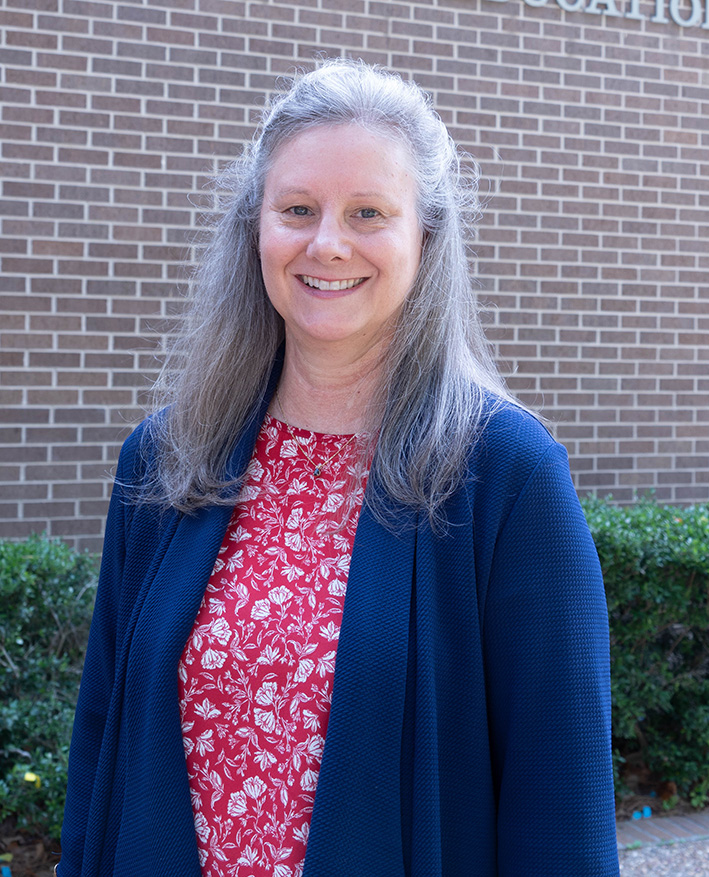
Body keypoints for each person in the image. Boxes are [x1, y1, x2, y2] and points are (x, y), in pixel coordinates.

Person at [57, 59, 619, 876]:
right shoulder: (167, 459)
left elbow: (558, 804)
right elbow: (102, 741)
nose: (326, 244)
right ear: (255, 227)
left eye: (367, 212)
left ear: (423, 237)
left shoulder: (505, 473)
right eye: (297, 209)